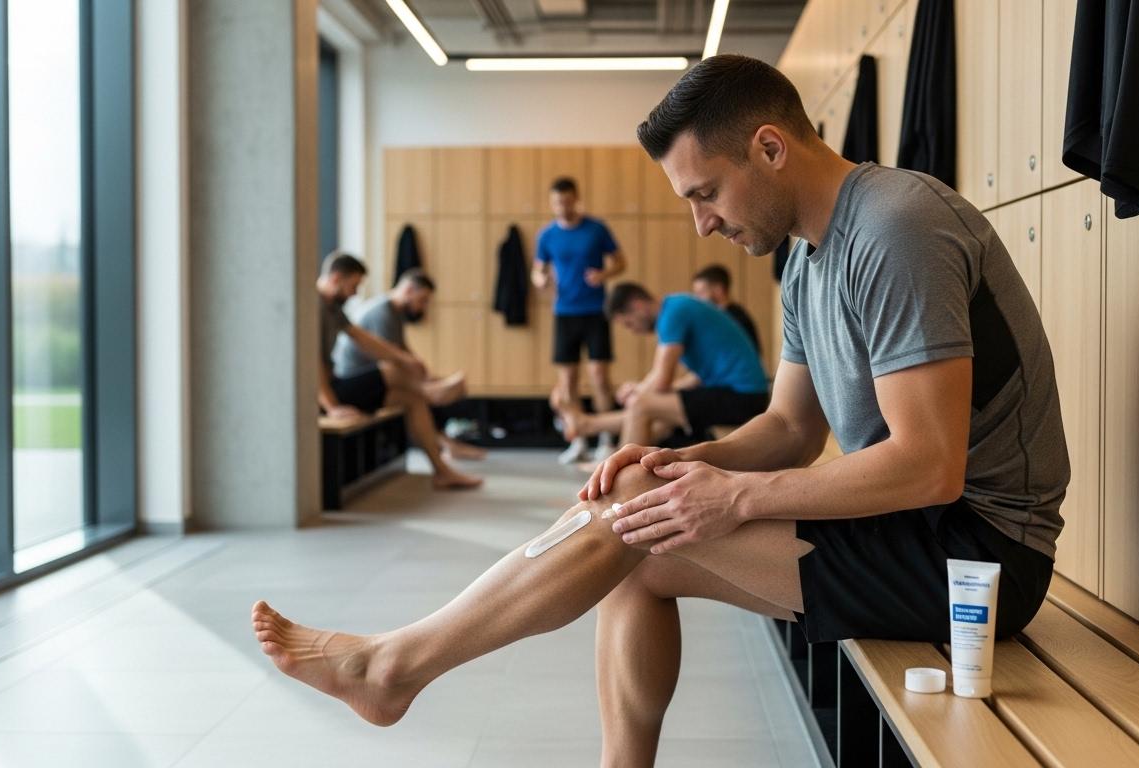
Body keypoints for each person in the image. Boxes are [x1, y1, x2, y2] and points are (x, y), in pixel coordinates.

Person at [256, 56, 1066, 765]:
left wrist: (737, 497)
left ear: (771, 147)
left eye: (706, 192)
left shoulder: (894, 228)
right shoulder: (807, 266)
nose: (702, 222)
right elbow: (790, 428)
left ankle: (395, 668)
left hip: (979, 558)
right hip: (915, 531)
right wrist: (690, 465)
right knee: (637, 538)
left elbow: (929, 464)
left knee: (639, 530)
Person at [317, 253, 482, 490]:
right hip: (328, 393)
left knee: (412, 399)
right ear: (335, 278)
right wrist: (332, 407)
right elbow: (311, 365)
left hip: (340, 385)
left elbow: (364, 338)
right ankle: (431, 394)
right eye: (353, 285)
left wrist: (406, 359)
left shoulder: (333, 308)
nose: (355, 293)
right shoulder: (314, 305)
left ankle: (442, 471)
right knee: (391, 370)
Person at [556, 283, 768, 453]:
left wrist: (637, 392)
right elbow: (693, 378)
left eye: (629, 324)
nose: (633, 331)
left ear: (638, 305)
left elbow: (661, 380)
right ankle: (596, 436)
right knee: (656, 417)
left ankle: (611, 467)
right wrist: (640, 389)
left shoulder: (672, 314)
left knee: (642, 406)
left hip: (744, 398)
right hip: (739, 393)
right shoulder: (677, 307)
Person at [531, 177, 627, 465]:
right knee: (568, 381)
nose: (563, 206)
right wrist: (541, 279)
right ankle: (579, 440)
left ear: (576, 199)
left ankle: (606, 440)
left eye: (568, 200)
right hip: (565, 313)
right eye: (558, 201)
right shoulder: (547, 236)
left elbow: (621, 262)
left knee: (599, 376)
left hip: (595, 310)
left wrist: (604, 275)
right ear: (552, 202)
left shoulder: (596, 229)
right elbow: (537, 271)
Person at [690, 263, 761, 353]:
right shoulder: (718, 316)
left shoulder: (736, 319)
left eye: (701, 292)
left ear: (718, 290)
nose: (697, 299)